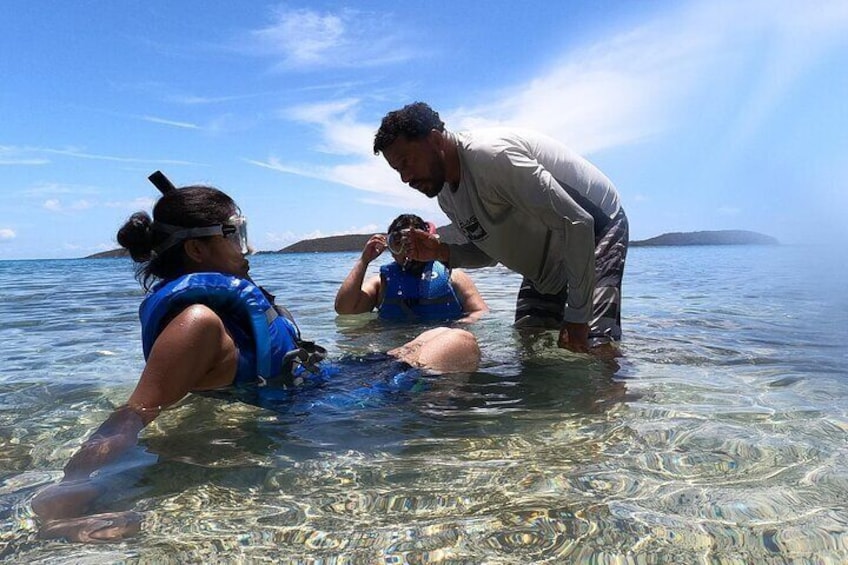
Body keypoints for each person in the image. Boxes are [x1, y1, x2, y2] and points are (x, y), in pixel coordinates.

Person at [31, 172, 480, 543]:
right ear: (197, 248)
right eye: (235, 235)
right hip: (315, 408)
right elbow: (135, 412)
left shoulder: (215, 312)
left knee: (437, 336)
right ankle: (427, 438)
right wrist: (64, 498)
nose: (246, 248)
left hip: (318, 385)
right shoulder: (197, 321)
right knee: (457, 343)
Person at [373, 102, 629, 354]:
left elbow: (576, 222)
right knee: (531, 347)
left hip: (597, 228)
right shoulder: (446, 196)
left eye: (407, 162)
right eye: (398, 170)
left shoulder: (492, 156)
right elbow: (490, 253)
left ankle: (615, 388)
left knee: (592, 345)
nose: (405, 178)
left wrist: (577, 317)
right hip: (545, 251)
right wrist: (441, 252)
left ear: (436, 140)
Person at [335, 213, 488, 322]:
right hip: (391, 353)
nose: (408, 251)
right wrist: (364, 261)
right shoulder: (381, 283)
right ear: (390, 248)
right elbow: (345, 310)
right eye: (397, 244)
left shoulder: (453, 276)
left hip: (440, 346)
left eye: (416, 243)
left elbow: (481, 312)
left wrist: (460, 326)